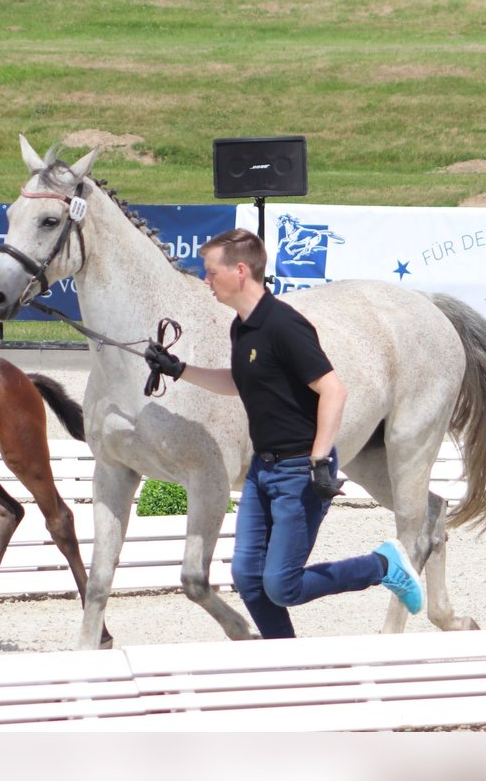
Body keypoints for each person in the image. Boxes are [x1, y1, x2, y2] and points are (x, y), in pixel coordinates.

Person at [144, 227, 424, 639]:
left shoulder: (284, 325)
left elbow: (333, 389)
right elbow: (241, 381)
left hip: (300, 472)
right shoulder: (241, 328)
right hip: (263, 470)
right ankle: (285, 660)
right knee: (248, 578)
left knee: (281, 585)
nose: (206, 281)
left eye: (211, 272)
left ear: (240, 271)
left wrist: (319, 459)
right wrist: (179, 370)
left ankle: (382, 566)